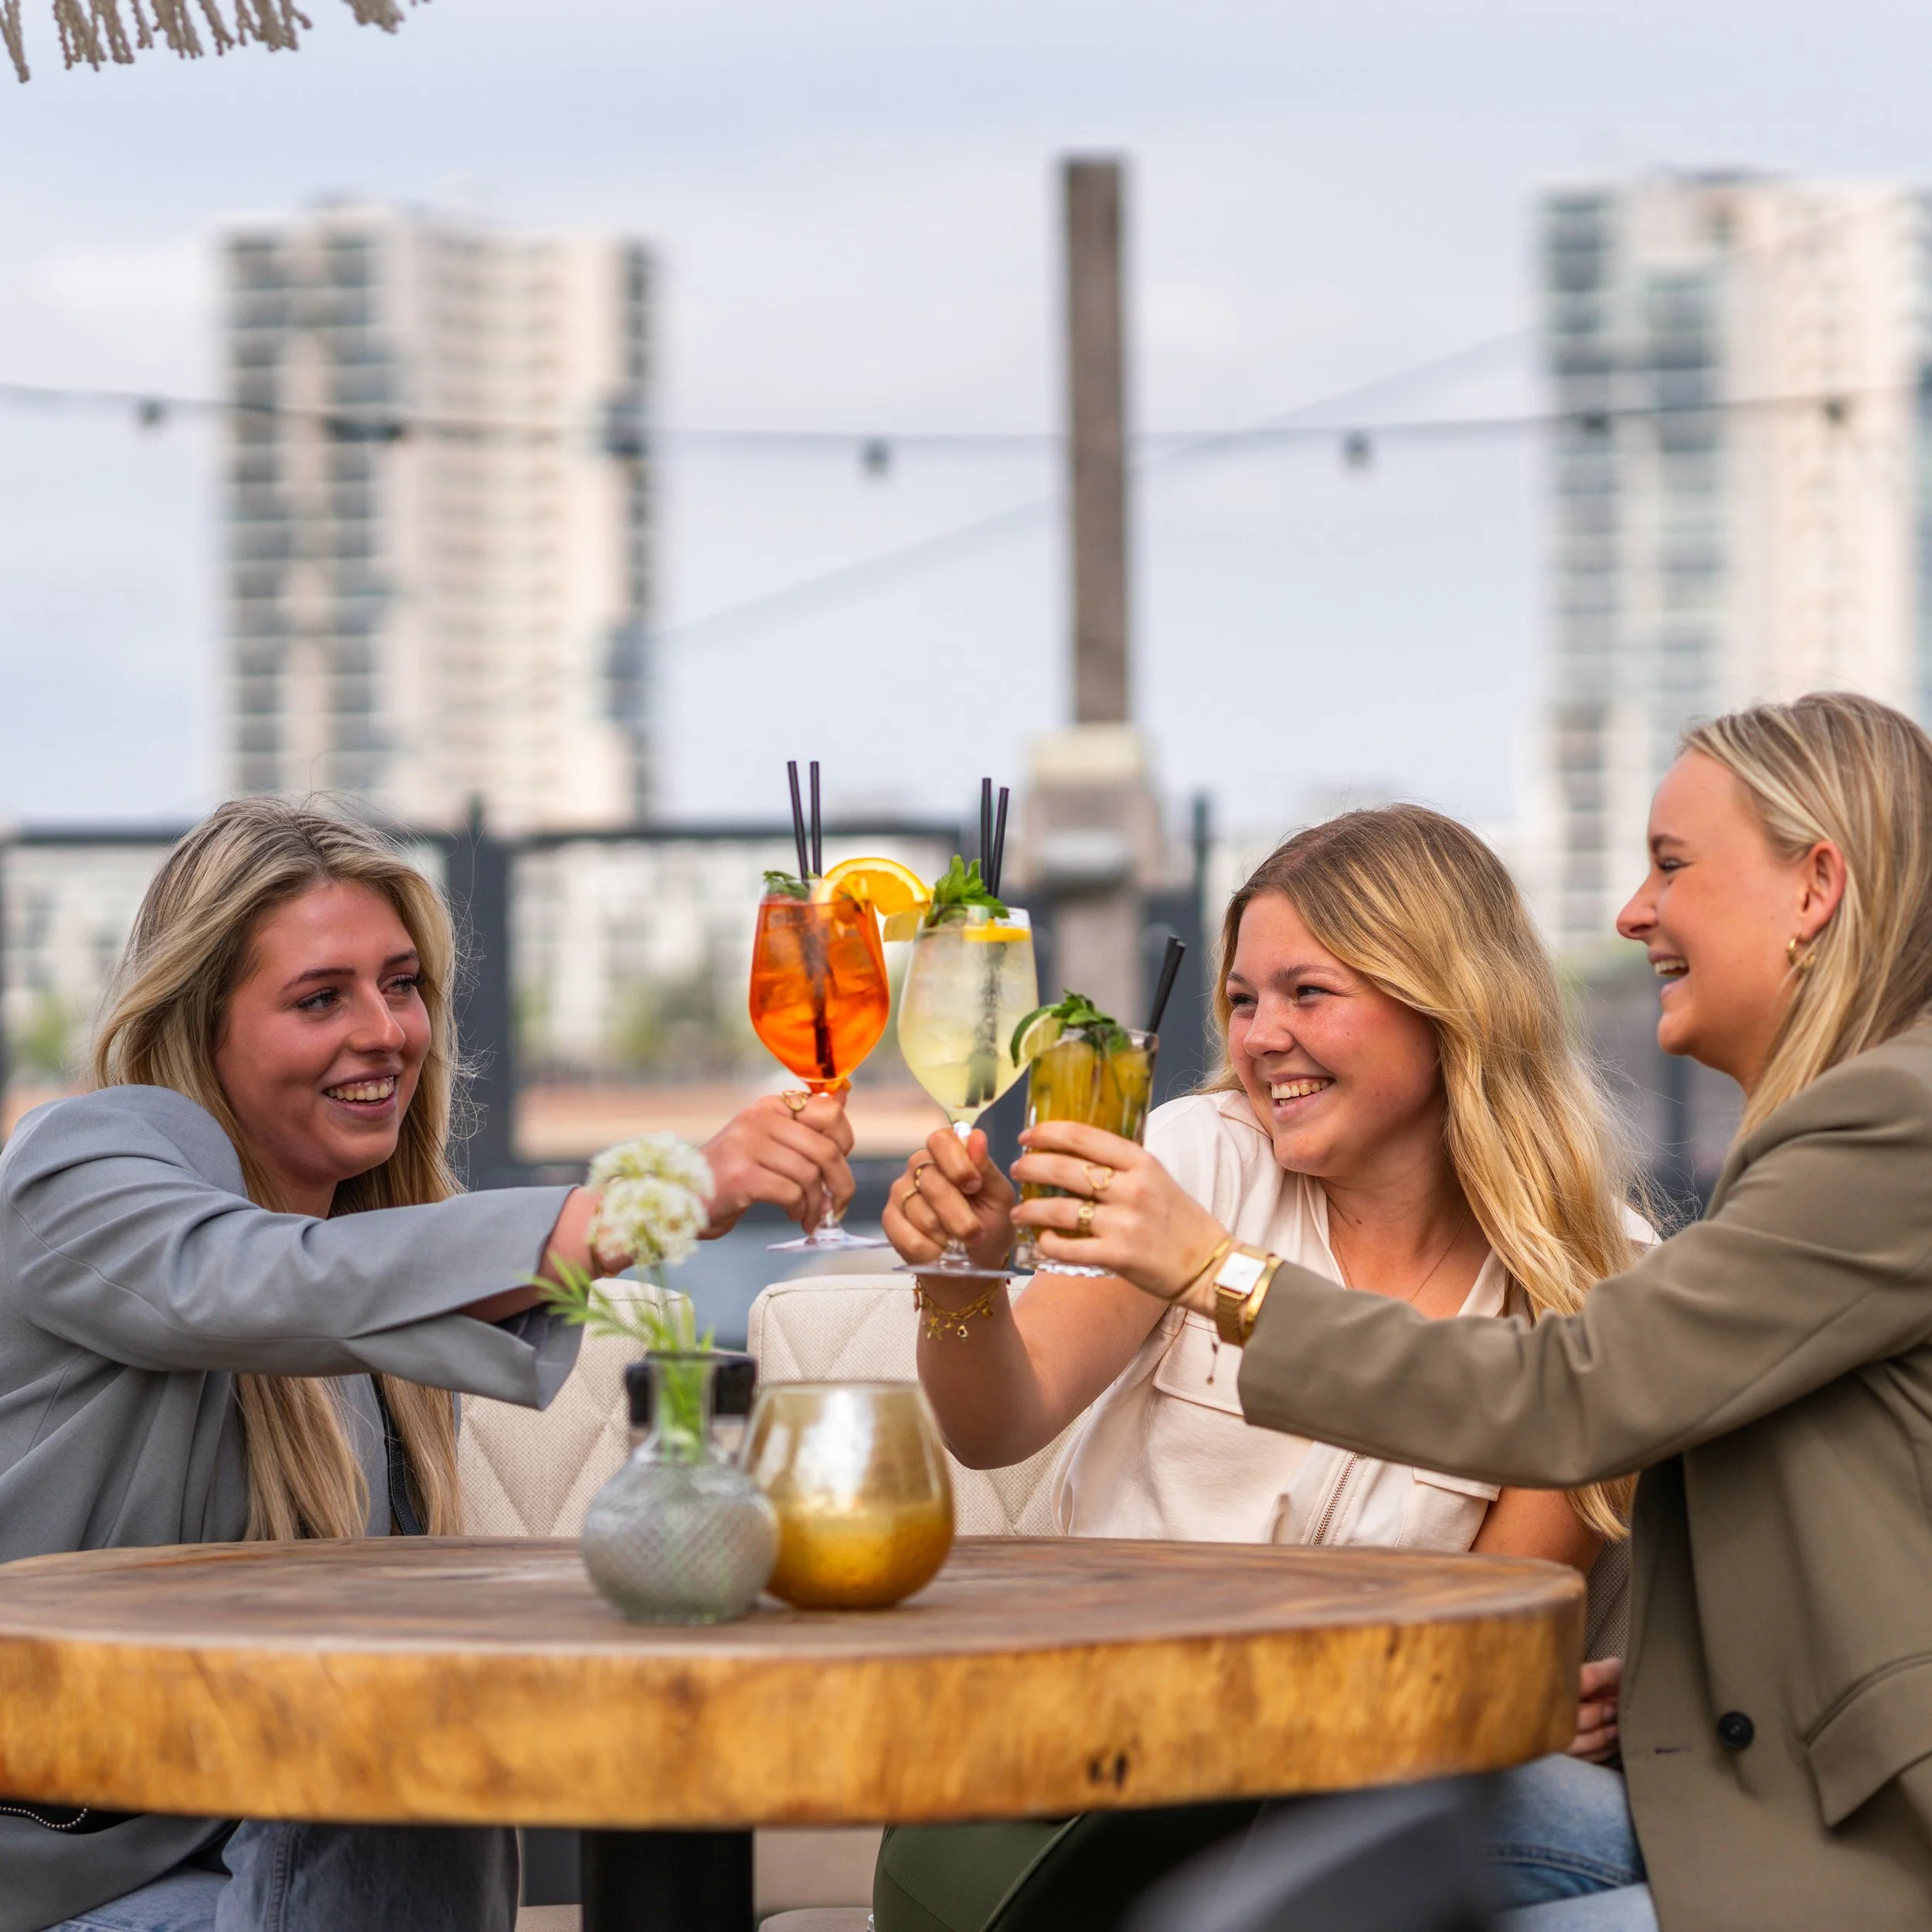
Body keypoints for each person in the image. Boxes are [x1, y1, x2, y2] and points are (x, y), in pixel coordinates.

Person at [1012, 692, 1932, 1931]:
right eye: (1243, 1000)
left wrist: (1220, 1276)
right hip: (1754, 1791)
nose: (1632, 913)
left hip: (1851, 1835)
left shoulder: (1889, 1126)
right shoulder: (1205, 1149)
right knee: (1335, 1816)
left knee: (1332, 1835)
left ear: (1815, 885)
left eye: (1670, 865)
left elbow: (1574, 1395)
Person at [0, 798, 857, 1932]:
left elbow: (331, 1280)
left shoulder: (393, 1294)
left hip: (269, 1845)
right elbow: (268, 1282)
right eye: (321, 998)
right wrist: (663, 1195)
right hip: (73, 1878)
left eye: (401, 985)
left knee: (399, 1735)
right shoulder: (84, 1164)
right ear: (200, 1024)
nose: (387, 1031)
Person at [876, 804, 1647, 1932]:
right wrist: (960, 1282)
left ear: (1447, 1007)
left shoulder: (1598, 1281)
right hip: (1100, 1773)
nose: (1258, 1037)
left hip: (1360, 1782)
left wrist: (1507, 1709)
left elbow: (1490, 1654)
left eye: (1308, 994)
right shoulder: (1194, 1164)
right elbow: (997, 1422)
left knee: (1646, 1844)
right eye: (1242, 999)